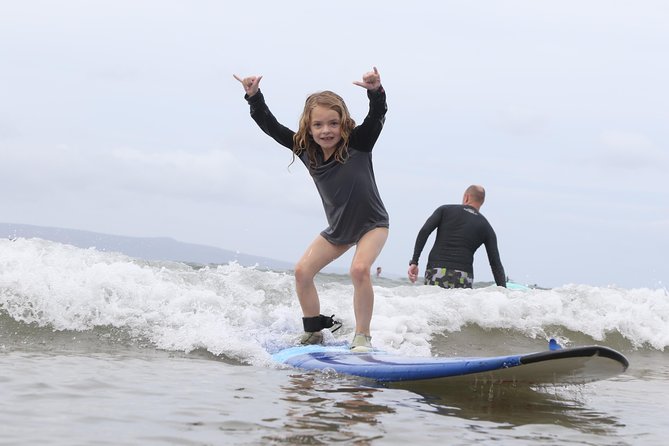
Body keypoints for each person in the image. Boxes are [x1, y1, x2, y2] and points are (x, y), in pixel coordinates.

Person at [234, 67, 389, 352]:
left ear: (344, 123)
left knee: (359, 270)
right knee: (302, 271)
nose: (326, 130)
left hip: (372, 224)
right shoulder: (306, 150)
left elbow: (376, 117)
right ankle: (314, 332)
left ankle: (362, 337)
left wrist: (375, 92)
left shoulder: (359, 143)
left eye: (333, 123)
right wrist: (253, 97)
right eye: (318, 125)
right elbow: (271, 126)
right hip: (339, 228)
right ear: (308, 126)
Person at [407, 185, 506, 289]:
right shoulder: (486, 226)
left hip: (437, 270)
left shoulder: (445, 210)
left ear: (466, 197)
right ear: (482, 202)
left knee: (433, 304)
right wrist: (504, 294)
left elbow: (424, 231)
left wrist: (414, 261)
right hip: (463, 276)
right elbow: (495, 264)